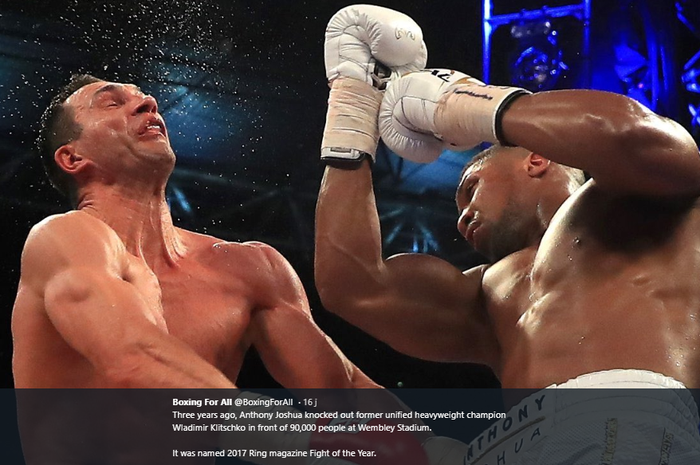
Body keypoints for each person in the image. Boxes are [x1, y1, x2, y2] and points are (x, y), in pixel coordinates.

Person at [10, 6, 442, 464]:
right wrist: (287, 437)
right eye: (112, 102)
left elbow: (343, 392)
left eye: (142, 95)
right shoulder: (63, 239)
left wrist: (434, 450)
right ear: (72, 158)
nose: (147, 102)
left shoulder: (246, 268)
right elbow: (133, 360)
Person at [314, 64, 700, 463]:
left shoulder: (641, 205)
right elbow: (352, 286)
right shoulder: (484, 293)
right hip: (502, 446)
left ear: (536, 160)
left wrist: (465, 105)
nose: (462, 218)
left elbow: (632, 134)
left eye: (471, 190)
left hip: (623, 418)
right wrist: (351, 120)